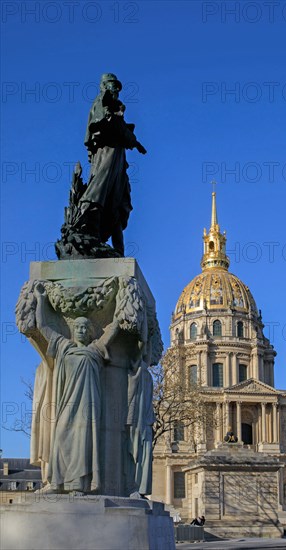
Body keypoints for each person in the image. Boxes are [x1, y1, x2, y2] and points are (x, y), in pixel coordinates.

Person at [34, 282, 120, 493]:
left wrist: (121, 297)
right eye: (78, 327)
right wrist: (41, 300)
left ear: (91, 332)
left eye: (85, 328)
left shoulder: (95, 349)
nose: (81, 330)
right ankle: (56, 482)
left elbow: (114, 327)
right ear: (73, 331)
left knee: (83, 444)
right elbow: (43, 327)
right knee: (61, 437)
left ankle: (78, 485)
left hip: (88, 406)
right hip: (67, 403)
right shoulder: (64, 346)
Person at [80, 73, 146, 255]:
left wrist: (134, 141)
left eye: (117, 86)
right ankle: (88, 226)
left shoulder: (114, 107)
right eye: (112, 85)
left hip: (117, 158)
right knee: (100, 188)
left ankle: (118, 249)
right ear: (104, 86)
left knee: (118, 199)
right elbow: (102, 124)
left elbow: (121, 129)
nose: (116, 89)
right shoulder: (102, 102)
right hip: (106, 155)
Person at [127, 343, 155, 497]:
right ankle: (135, 487)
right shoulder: (140, 373)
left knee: (143, 453)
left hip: (144, 422)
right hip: (138, 422)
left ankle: (139, 488)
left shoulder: (146, 375)